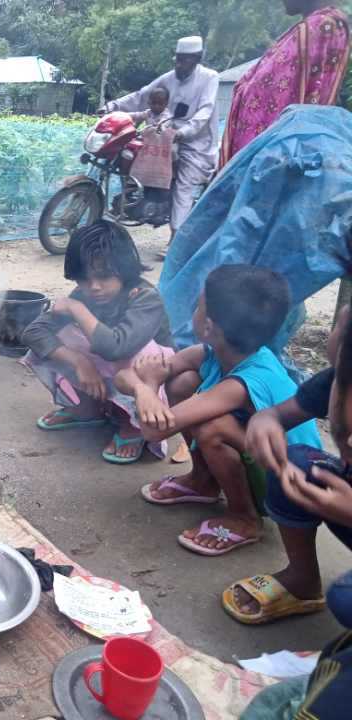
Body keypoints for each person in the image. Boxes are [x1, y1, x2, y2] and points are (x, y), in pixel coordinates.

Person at [114, 265, 321, 555]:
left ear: (209, 326)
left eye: (198, 306)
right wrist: (142, 388)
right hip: (269, 465)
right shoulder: (215, 353)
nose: (193, 312)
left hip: (291, 487)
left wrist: (147, 386)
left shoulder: (247, 380)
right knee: (182, 382)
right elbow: (125, 375)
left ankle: (245, 518)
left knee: (214, 427)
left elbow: (152, 430)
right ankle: (202, 481)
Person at [222, 306, 352, 625]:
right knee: (295, 461)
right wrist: (265, 421)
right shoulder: (339, 378)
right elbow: (278, 414)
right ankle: (302, 581)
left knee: (346, 599)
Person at [21, 221, 174, 464]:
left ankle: (133, 424)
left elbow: (115, 348)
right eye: (84, 278)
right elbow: (34, 331)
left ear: (124, 269)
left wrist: (77, 308)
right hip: (112, 365)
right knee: (57, 341)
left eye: (103, 276)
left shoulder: (146, 297)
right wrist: (79, 361)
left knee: (136, 353)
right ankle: (89, 408)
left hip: (147, 372)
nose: (94, 287)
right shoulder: (83, 294)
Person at [103, 36, 219, 240]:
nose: (179, 65)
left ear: (197, 58)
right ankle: (137, 200)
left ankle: (175, 240)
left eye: (185, 60)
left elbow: (205, 111)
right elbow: (141, 95)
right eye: (177, 59)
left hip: (194, 143)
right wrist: (111, 107)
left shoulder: (210, 77)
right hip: (161, 138)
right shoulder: (169, 78)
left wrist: (184, 133)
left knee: (183, 185)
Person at [219, 0, 350, 170]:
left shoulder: (323, 25)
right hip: (272, 157)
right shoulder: (315, 26)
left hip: (276, 161)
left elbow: (299, 99)